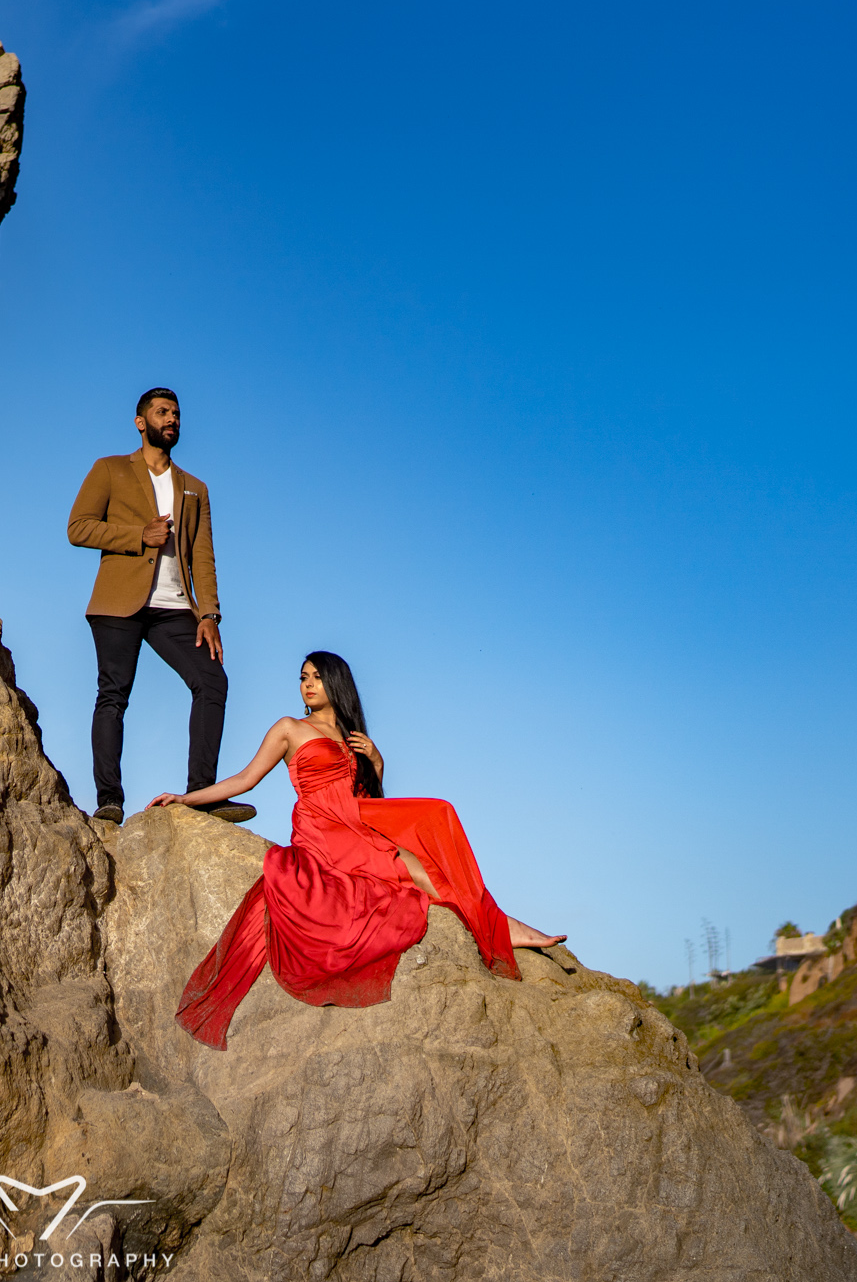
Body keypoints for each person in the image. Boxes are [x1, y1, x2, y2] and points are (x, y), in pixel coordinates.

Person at [155, 651, 565, 1050]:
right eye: (303, 677)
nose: (308, 684)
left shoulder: (352, 738)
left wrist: (377, 761)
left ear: (336, 682)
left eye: (315, 676)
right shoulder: (289, 728)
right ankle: (505, 930)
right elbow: (245, 779)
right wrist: (188, 799)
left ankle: (501, 924)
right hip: (323, 829)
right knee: (424, 870)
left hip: (356, 822)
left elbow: (371, 797)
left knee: (437, 834)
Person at [67, 388, 252, 826]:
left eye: (176, 414)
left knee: (213, 680)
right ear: (140, 422)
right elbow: (78, 527)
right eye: (162, 412)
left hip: (175, 607)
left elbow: (203, 556)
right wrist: (137, 536)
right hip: (118, 603)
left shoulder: (195, 489)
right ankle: (110, 799)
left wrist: (209, 614)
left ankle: (201, 795)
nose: (171, 419)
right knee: (113, 694)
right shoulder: (110, 470)